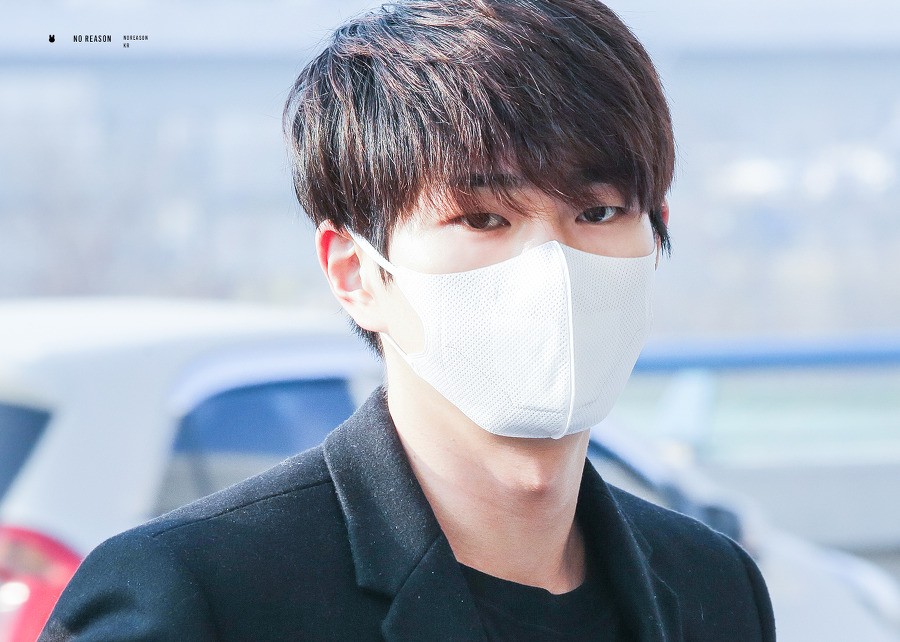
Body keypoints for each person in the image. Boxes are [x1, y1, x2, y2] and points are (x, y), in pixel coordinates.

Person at [42, 1, 776, 639]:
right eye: (482, 218)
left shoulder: (714, 587)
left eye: (599, 211)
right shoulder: (196, 593)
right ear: (355, 272)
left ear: (657, 228)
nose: (553, 266)